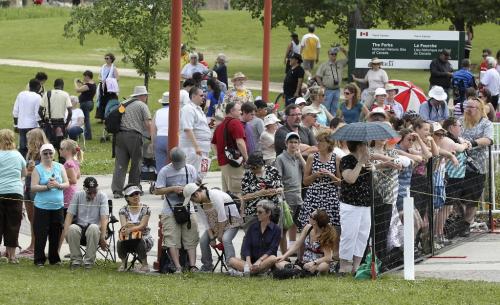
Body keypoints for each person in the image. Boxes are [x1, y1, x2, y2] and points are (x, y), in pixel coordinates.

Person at [155, 148, 199, 273]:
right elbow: (158, 190)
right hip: (170, 209)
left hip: (188, 207)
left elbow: (196, 186)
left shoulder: (190, 169)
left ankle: (192, 265)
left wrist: (187, 190)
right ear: (171, 160)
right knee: (172, 238)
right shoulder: (164, 171)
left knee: (191, 236)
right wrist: (173, 189)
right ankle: (178, 266)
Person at [183, 183, 242, 272]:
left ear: (196, 194)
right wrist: (211, 238)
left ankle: (231, 266)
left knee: (225, 239)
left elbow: (222, 216)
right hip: (214, 226)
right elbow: (205, 222)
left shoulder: (214, 195)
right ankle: (207, 266)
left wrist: (220, 235)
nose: (193, 201)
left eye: (192, 199)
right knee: (203, 241)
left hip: (231, 222)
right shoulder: (199, 203)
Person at [30, 143, 70, 266]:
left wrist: (58, 185)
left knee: (55, 234)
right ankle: (39, 259)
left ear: (54, 154)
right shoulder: (37, 169)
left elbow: (67, 183)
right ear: (41, 155)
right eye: (45, 153)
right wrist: (46, 187)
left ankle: (54, 258)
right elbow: (33, 187)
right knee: (41, 233)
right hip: (42, 206)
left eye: (50, 153)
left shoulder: (59, 167)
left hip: (57, 206)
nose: (48, 155)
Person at [459, 97, 493, 237]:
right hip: (459, 166)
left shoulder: (486, 123)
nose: (468, 109)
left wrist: (472, 143)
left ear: (479, 109)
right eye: (467, 106)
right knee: (456, 196)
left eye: (471, 107)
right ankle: (459, 220)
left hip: (478, 167)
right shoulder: (460, 122)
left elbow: (488, 139)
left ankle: (466, 224)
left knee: (472, 198)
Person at [111, 86, 152, 198]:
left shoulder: (123, 103)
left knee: (120, 164)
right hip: (134, 136)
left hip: (119, 136)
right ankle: (133, 188)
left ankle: (117, 190)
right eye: (145, 95)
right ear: (142, 96)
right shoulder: (142, 105)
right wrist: (152, 137)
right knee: (136, 163)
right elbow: (148, 123)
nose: (146, 97)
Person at [338, 141, 372, 274]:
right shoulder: (346, 160)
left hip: (365, 204)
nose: (368, 148)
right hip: (350, 204)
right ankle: (344, 266)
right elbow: (350, 179)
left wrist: (372, 168)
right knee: (349, 234)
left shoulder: (367, 161)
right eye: (366, 145)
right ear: (359, 146)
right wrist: (359, 163)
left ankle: (356, 266)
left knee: (363, 235)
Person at [62, 177, 108, 269]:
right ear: (84, 189)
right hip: (80, 227)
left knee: (93, 228)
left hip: (95, 229)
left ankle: (89, 262)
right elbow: (69, 215)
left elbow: (104, 218)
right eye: (90, 192)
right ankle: (76, 260)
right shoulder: (77, 195)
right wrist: (66, 233)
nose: (93, 195)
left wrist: (103, 237)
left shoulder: (102, 196)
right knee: (72, 228)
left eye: (94, 192)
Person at [276, 209, 337, 274]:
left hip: (318, 263)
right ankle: (301, 271)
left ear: (315, 222)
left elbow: (328, 257)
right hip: (305, 263)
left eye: (310, 216)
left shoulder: (325, 234)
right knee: (278, 262)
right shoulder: (308, 228)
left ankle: (298, 272)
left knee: (323, 266)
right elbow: (297, 244)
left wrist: (314, 263)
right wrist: (284, 256)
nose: (308, 217)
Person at [18, 128, 48, 258]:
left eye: (29, 139)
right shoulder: (29, 154)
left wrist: (29, 171)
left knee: (37, 219)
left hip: (37, 188)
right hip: (27, 188)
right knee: (31, 219)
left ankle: (36, 246)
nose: (26, 141)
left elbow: (45, 171)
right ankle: (32, 244)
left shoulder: (45, 153)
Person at [228, 200, 280, 276]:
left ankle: (246, 273)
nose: (257, 214)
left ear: (268, 213)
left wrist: (259, 260)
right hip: (251, 262)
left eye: (260, 212)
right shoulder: (253, 227)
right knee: (231, 260)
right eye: (257, 212)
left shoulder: (276, 229)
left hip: (264, 262)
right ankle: (255, 272)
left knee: (273, 258)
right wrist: (248, 262)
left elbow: (272, 249)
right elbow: (247, 245)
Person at [275, 132, 306, 251]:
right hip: (287, 196)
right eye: (291, 142)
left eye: (296, 142)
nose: (293, 145)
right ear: (286, 144)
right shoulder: (281, 158)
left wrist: (300, 157)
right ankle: (283, 251)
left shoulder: (297, 158)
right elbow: (278, 177)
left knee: (295, 224)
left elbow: (307, 169)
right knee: (285, 225)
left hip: (298, 197)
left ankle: (292, 247)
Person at [0, 129, 27, 264]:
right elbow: (24, 173)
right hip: (15, 192)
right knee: (13, 224)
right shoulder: (17, 155)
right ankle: (12, 256)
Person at [211, 102, 248, 194]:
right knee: (238, 193)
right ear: (232, 111)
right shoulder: (235, 122)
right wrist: (247, 158)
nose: (241, 112)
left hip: (224, 164)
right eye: (239, 110)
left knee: (227, 194)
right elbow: (240, 142)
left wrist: (220, 156)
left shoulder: (219, 126)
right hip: (235, 164)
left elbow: (213, 144)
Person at [240, 151, 283, 232]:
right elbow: (244, 197)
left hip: (271, 212)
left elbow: (281, 188)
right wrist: (259, 193)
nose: (252, 169)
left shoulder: (273, 171)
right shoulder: (247, 175)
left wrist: (276, 191)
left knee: (270, 238)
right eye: (251, 167)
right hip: (253, 212)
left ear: (261, 165)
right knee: (252, 239)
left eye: (254, 167)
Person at [117, 184, 154, 273]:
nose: (135, 196)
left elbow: (143, 226)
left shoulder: (146, 208)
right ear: (127, 198)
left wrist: (130, 227)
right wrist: (129, 228)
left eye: (137, 193)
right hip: (128, 237)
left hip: (144, 237)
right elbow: (124, 226)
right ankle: (123, 263)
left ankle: (145, 265)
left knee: (140, 240)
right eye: (132, 195)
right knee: (120, 241)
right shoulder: (123, 210)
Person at [180, 86, 212, 175]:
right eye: (201, 95)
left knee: (202, 172)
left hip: (204, 148)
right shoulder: (188, 109)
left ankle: (198, 188)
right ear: (193, 96)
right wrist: (196, 147)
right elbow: (187, 128)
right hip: (193, 149)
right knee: (192, 173)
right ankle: (190, 189)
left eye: (204, 95)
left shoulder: (199, 109)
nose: (204, 97)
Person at [39, 79, 72, 161]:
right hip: (60, 124)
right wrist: (66, 123)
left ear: (54, 85)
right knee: (61, 147)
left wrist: (44, 120)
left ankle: (50, 164)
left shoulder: (47, 93)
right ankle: (62, 166)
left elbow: (40, 111)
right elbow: (70, 112)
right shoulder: (65, 94)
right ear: (62, 86)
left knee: (48, 146)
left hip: (49, 123)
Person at [13, 78, 42, 158]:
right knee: (33, 148)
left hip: (21, 125)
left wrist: (15, 125)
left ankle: (22, 165)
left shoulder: (21, 94)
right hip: (33, 126)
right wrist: (41, 127)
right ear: (38, 87)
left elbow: (15, 111)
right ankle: (31, 165)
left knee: (22, 147)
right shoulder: (38, 97)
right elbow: (37, 114)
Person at [315, 46, 348, 115]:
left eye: (335, 54)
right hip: (328, 90)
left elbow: (349, 58)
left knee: (334, 107)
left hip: (337, 90)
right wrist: (321, 86)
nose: (334, 55)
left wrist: (343, 50)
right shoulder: (324, 65)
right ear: (328, 55)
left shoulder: (340, 63)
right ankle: (326, 123)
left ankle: (332, 123)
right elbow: (318, 76)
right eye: (332, 54)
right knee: (326, 107)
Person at [59, 139, 82, 213]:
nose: (59, 150)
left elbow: (74, 180)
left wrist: (60, 179)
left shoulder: (68, 164)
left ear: (68, 151)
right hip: (73, 191)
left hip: (68, 193)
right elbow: (78, 176)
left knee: (68, 214)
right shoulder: (74, 162)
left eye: (62, 149)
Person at [74, 70, 97, 140]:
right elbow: (85, 85)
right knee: (85, 119)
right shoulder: (93, 84)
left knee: (86, 120)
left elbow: (78, 90)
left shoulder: (88, 85)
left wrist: (75, 82)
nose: (83, 78)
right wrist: (81, 82)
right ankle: (85, 134)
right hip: (90, 103)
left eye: (84, 77)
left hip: (85, 104)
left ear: (87, 77)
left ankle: (88, 136)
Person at [97, 53, 119, 122]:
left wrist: (109, 80)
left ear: (111, 59)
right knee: (102, 100)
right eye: (105, 58)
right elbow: (99, 76)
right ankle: (101, 117)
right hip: (103, 86)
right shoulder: (103, 67)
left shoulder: (113, 68)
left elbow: (117, 78)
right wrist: (101, 80)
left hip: (110, 87)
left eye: (107, 58)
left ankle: (108, 116)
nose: (106, 60)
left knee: (109, 101)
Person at [152, 92, 170, 171]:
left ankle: (161, 181)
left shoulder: (157, 112)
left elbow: (153, 129)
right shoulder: (177, 111)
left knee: (160, 166)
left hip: (159, 138)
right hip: (171, 138)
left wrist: (153, 143)